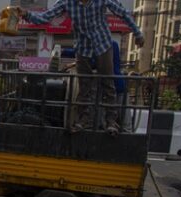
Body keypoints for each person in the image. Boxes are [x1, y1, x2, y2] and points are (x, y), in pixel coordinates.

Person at [18, 0, 145, 136]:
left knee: (108, 83)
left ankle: (111, 122)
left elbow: (123, 13)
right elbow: (45, 17)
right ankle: (83, 120)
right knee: (84, 85)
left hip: (103, 44)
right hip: (83, 48)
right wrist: (26, 14)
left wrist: (138, 33)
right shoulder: (67, 2)